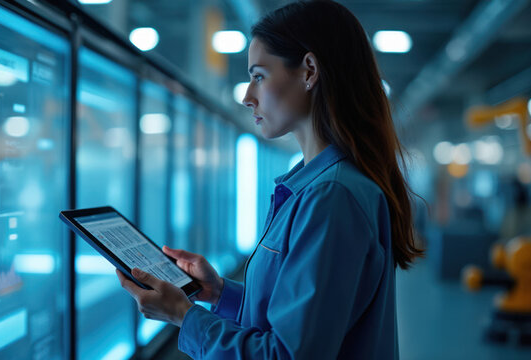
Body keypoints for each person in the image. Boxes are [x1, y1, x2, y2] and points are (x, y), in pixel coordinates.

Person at [115, 1, 424, 358]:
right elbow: (305, 317)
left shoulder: (331, 197)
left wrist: (184, 317)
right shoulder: (317, 186)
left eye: (259, 76)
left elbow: (287, 354)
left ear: (309, 71)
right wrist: (217, 292)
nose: (247, 96)